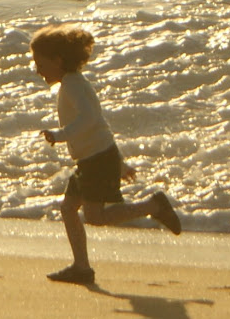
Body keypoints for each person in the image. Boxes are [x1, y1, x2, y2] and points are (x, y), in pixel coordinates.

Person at [30, 23, 181, 285]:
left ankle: (153, 206)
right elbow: (101, 126)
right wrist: (120, 163)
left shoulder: (73, 85)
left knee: (95, 216)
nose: (37, 69)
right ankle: (81, 267)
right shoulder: (73, 83)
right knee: (68, 209)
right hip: (94, 159)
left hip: (96, 160)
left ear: (58, 60)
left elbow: (89, 119)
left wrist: (60, 134)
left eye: (40, 63)